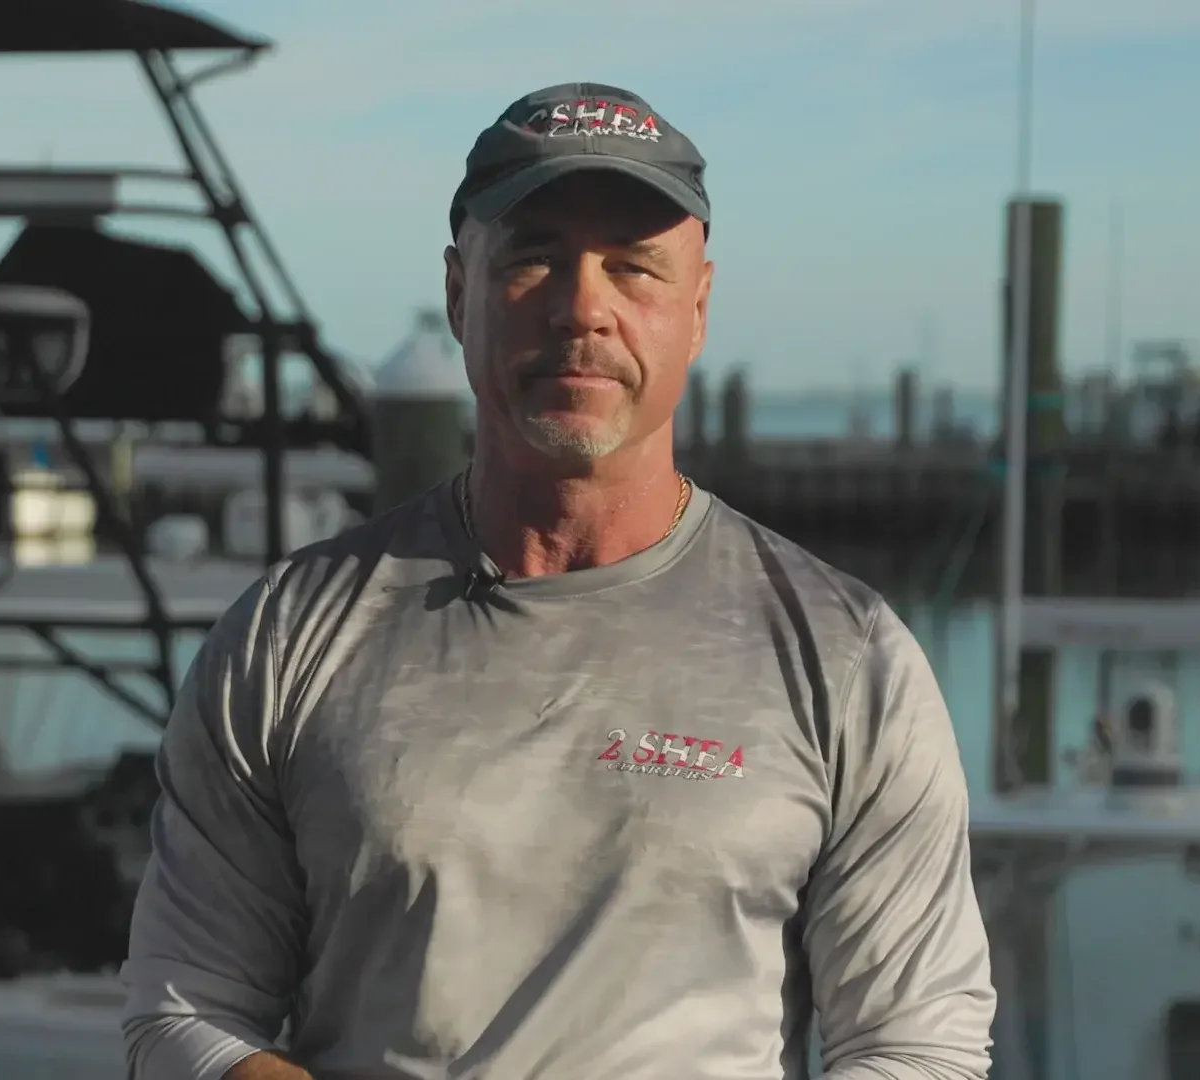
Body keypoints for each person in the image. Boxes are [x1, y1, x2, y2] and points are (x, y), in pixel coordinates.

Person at [122, 82, 995, 1080]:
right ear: (459, 293)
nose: (584, 308)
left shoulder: (846, 657)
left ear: (697, 308)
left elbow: (918, 1044)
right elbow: (184, 1013)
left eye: (634, 267)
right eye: (534, 257)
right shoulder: (287, 639)